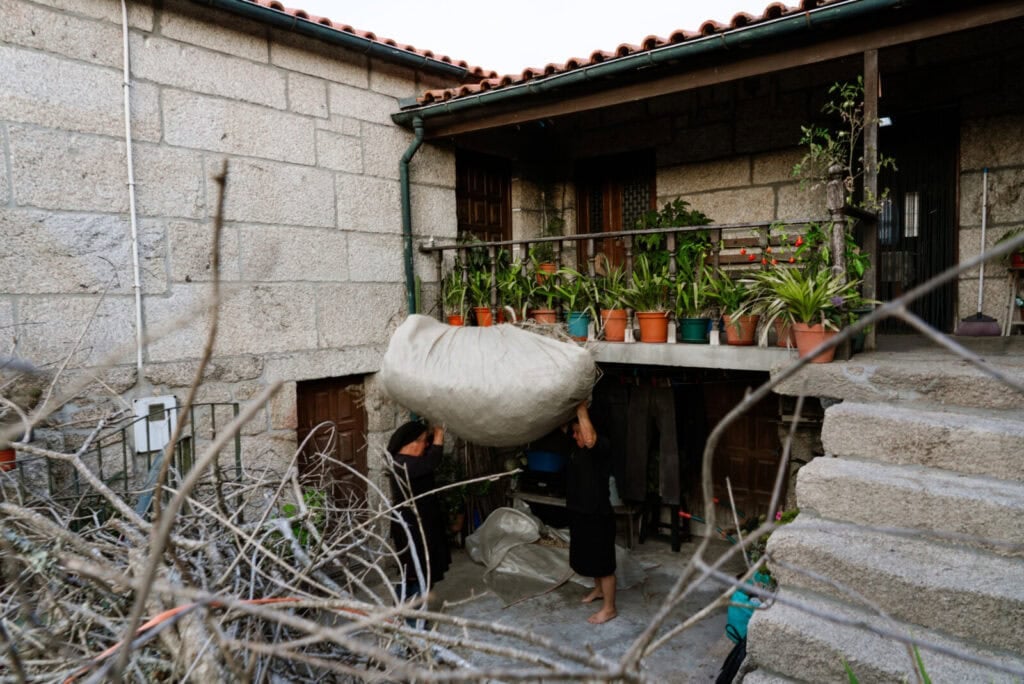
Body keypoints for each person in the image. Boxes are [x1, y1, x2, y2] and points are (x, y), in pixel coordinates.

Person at [534, 401, 617, 624]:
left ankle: (609, 608)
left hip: (598, 514)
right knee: (590, 558)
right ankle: (598, 590)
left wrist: (581, 407)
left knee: (604, 564)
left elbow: (590, 438)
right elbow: (568, 430)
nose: (575, 435)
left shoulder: (601, 447)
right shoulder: (575, 449)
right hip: (580, 513)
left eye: (578, 431)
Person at [388, 420, 451, 601]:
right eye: (423, 441)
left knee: (420, 570)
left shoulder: (407, 460)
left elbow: (428, 459)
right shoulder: (402, 464)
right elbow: (432, 461)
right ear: (411, 443)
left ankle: (406, 607)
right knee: (416, 571)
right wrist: (439, 434)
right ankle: (411, 612)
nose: (426, 445)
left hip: (422, 523)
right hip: (411, 526)